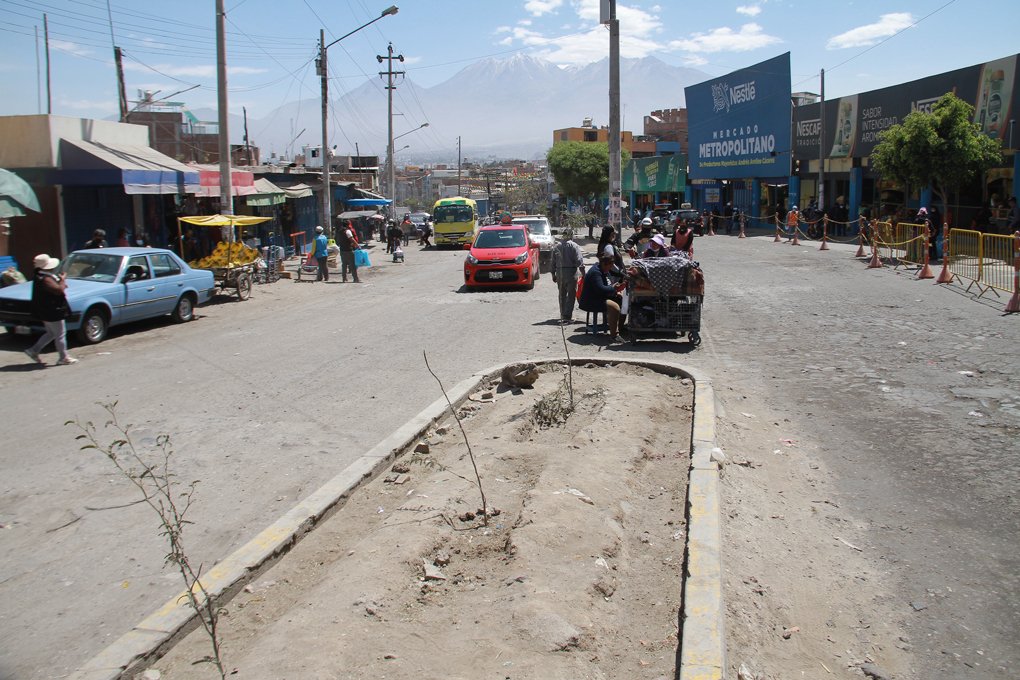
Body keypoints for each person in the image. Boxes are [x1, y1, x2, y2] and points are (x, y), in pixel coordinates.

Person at [24, 254, 77, 366]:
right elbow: (58, 290)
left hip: (45, 310)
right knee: (60, 334)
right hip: (52, 311)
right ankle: (64, 357)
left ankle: (33, 350)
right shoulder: (45, 279)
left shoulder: (41, 276)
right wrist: (62, 281)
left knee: (51, 333)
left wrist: (59, 282)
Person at [578, 249, 625, 343]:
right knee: (614, 307)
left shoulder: (601, 269)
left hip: (598, 297)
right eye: (610, 266)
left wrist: (615, 290)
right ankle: (614, 335)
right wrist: (614, 289)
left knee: (621, 301)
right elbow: (601, 289)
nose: (610, 269)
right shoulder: (596, 272)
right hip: (592, 301)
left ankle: (620, 328)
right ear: (604, 264)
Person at [551, 227, 586, 323]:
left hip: (560, 272)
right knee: (571, 295)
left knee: (561, 294)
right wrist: (584, 274)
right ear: (571, 235)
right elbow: (579, 261)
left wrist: (553, 274)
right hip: (571, 273)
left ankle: (563, 314)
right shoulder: (574, 246)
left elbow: (553, 262)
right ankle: (567, 315)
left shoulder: (557, 246)